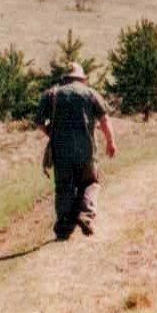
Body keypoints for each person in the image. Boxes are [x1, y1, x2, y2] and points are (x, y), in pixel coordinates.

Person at [33, 62, 116, 240]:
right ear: (82, 78)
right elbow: (104, 119)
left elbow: (39, 123)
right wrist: (110, 141)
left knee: (63, 188)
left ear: (64, 78)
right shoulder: (90, 93)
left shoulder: (51, 95)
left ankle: (63, 229)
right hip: (86, 151)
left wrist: (52, 133)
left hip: (61, 151)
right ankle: (86, 216)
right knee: (90, 183)